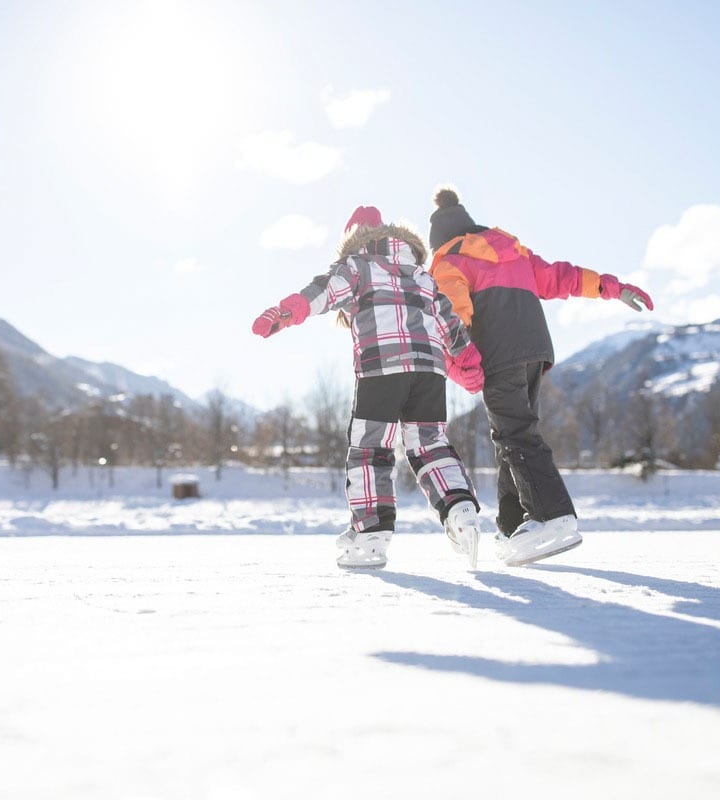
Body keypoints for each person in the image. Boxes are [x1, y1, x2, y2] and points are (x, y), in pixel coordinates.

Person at [426, 188, 654, 566]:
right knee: (511, 435)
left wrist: (462, 364)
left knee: (515, 435)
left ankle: (551, 515)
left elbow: (453, 320)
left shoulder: (448, 261)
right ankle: (513, 526)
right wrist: (611, 287)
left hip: (499, 355)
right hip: (535, 351)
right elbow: (559, 277)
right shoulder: (511, 251)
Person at [252, 206, 486, 569]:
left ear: (352, 238)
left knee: (371, 450)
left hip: (382, 368)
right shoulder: (421, 273)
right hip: (429, 371)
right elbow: (449, 321)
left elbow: (322, 292)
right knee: (430, 446)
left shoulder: (356, 265)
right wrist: (468, 360)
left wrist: (286, 312)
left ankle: (370, 536)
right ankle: (461, 511)